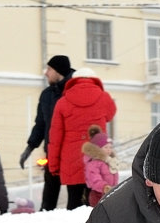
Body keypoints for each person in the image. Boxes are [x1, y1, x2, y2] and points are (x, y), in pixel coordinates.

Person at [47, 67, 116, 210]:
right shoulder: (104, 98)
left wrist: (53, 165)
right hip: (97, 156)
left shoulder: (63, 102)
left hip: (71, 160)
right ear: (95, 80)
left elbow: (55, 137)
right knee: (97, 202)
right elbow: (110, 115)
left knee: (74, 201)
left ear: (73, 82)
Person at [19, 54, 75, 211]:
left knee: (75, 197)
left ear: (59, 71)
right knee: (49, 196)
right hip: (52, 151)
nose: (46, 73)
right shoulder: (47, 95)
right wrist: (29, 147)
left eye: (49, 69)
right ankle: (44, 218)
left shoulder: (75, 91)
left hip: (72, 152)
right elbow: (40, 124)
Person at [82, 125, 120, 207]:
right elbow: (94, 179)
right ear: (98, 149)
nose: (109, 149)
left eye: (110, 147)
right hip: (98, 195)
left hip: (110, 193)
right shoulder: (94, 163)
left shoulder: (110, 161)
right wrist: (104, 187)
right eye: (106, 147)